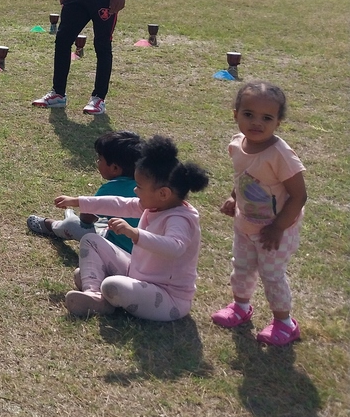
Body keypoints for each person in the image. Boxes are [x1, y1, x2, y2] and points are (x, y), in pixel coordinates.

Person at [54, 135, 209, 320]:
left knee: (112, 285)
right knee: (90, 241)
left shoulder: (180, 219)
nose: (135, 191)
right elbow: (120, 204)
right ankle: (94, 294)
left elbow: (175, 247)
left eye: (139, 187)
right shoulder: (156, 205)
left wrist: (135, 234)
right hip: (137, 274)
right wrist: (78, 201)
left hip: (167, 296)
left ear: (163, 194)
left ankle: (104, 290)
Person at [211, 81, 307, 346]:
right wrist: (234, 197)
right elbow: (244, 176)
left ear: (278, 122)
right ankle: (240, 307)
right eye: (248, 114)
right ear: (236, 114)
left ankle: (285, 323)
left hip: (275, 231)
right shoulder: (237, 144)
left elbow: (299, 195)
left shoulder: (280, 155)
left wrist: (278, 228)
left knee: (271, 275)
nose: (256, 122)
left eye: (266, 118)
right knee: (241, 267)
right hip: (246, 224)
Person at [27, 130, 142, 253]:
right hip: (144, 252)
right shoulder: (145, 187)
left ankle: (52, 226)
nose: (97, 162)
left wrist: (85, 215)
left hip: (118, 251)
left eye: (100, 159)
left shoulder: (110, 189)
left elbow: (86, 219)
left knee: (73, 225)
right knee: (105, 222)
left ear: (114, 168)